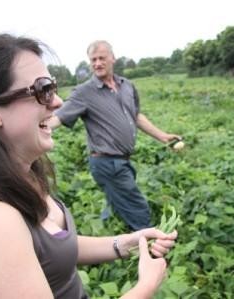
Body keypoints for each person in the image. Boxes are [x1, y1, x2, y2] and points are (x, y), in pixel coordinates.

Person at [0, 33, 177, 298]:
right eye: (42, 90)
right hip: (107, 162)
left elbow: (54, 247)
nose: (56, 101)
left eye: (51, 86)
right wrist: (146, 286)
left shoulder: (22, 174)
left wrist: (122, 244)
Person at [48, 40, 181, 231]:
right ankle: (149, 244)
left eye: (102, 58)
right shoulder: (84, 92)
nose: (97, 63)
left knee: (119, 200)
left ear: (113, 58)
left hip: (123, 160)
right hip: (107, 162)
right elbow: (58, 117)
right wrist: (35, 130)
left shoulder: (127, 86)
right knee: (138, 209)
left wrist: (162, 136)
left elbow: (136, 116)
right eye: (93, 60)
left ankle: (111, 226)